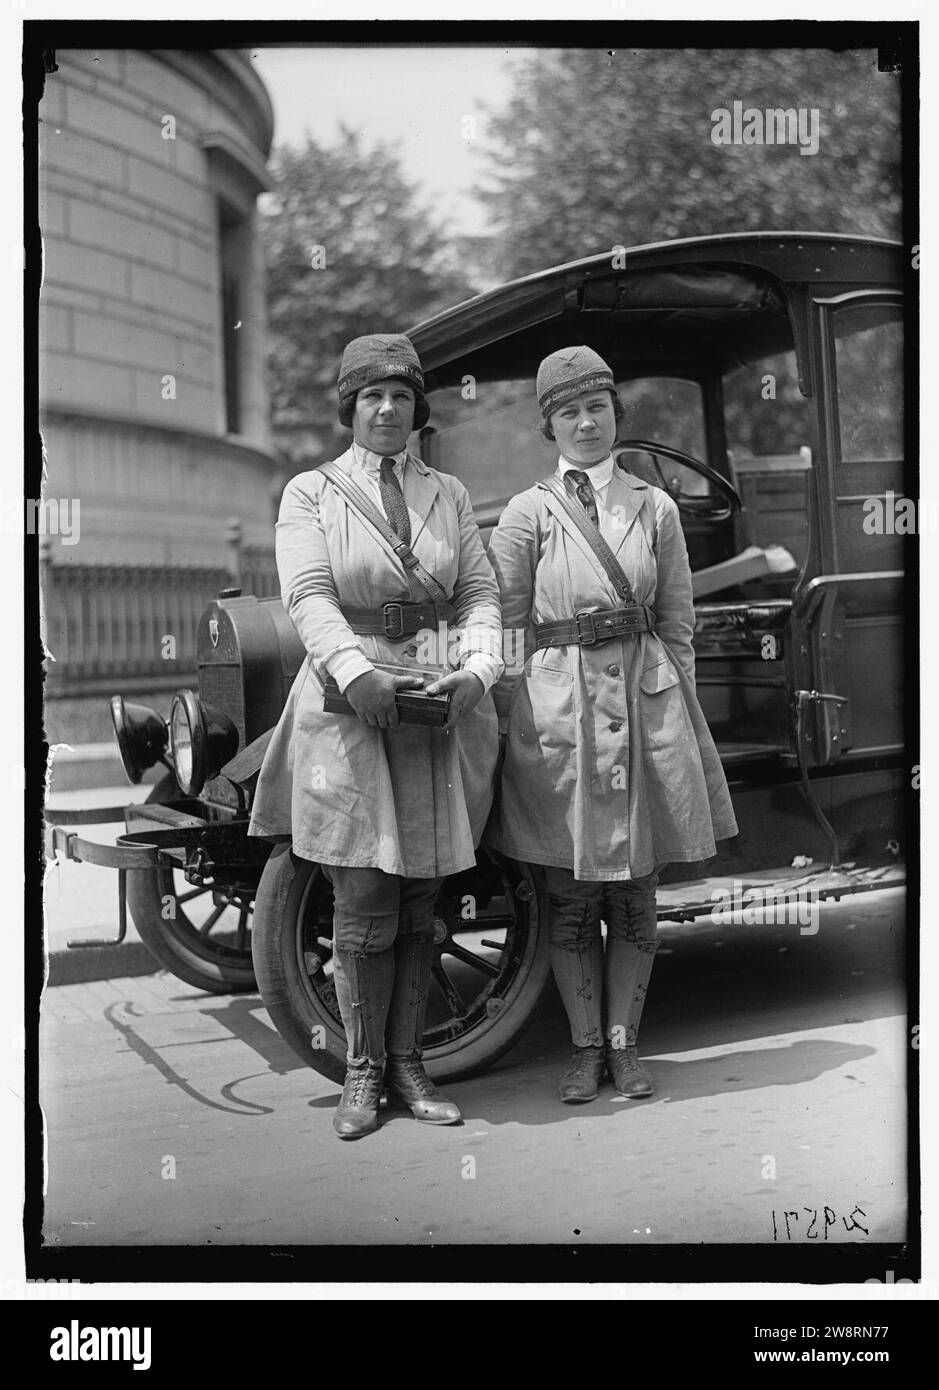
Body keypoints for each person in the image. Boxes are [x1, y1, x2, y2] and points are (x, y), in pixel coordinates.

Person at [249, 333, 504, 1139]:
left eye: (400, 395)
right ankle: (361, 1073)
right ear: (350, 410)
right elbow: (309, 592)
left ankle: (409, 1066)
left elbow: (478, 592)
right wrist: (357, 673)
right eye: (371, 397)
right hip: (346, 703)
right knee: (361, 895)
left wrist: (477, 670)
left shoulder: (451, 494)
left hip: (432, 700)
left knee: (421, 895)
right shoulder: (311, 493)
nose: (387, 409)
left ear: (418, 408)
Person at [485, 346, 737, 1104]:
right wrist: (508, 721)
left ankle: (626, 1049)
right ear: (550, 426)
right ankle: (583, 1050)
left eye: (597, 408)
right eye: (569, 412)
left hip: (643, 708)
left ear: (615, 416)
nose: (585, 423)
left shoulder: (652, 508)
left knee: (633, 897)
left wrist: (674, 711)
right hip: (558, 715)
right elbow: (503, 625)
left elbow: (677, 623)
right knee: (569, 897)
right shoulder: (527, 513)